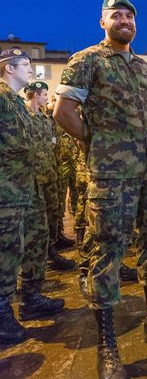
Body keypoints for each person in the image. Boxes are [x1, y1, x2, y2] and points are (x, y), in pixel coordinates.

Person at [54, 0, 147, 379]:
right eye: (116, 15)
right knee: (107, 254)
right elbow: (62, 112)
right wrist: (95, 143)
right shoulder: (87, 61)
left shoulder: (140, 68)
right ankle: (108, 347)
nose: (124, 20)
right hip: (111, 178)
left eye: (130, 16)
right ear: (103, 23)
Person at [0, 49, 64, 344]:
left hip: (27, 187)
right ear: (9, 69)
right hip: (7, 191)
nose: (32, 69)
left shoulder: (14, 102)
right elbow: (18, 144)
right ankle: (2, 317)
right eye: (26, 65)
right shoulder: (2, 99)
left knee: (34, 241)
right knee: (7, 253)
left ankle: (31, 298)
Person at [24, 82, 75, 271]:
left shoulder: (46, 120)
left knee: (53, 214)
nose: (47, 97)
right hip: (33, 179)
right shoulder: (24, 119)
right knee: (35, 221)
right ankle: (34, 260)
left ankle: (50, 250)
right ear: (36, 95)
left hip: (50, 174)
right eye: (44, 94)